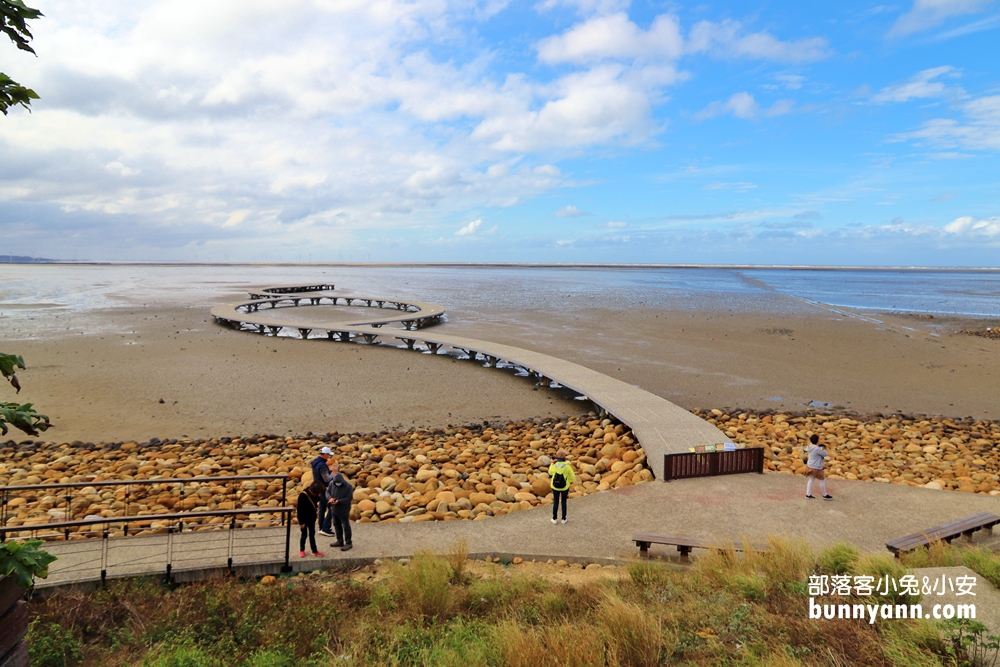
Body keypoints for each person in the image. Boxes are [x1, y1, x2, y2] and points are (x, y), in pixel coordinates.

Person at [326, 462, 354, 551]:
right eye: (336, 482)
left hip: (344, 510)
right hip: (334, 509)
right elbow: (327, 492)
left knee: (346, 526)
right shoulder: (331, 484)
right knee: (336, 525)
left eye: (339, 482)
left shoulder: (348, 486)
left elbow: (349, 498)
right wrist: (330, 498)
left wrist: (339, 501)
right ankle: (339, 541)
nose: (337, 484)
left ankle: (348, 542)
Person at [296, 481, 325, 558]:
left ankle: (314, 550)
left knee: (312, 535)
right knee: (304, 535)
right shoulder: (302, 496)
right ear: (313, 491)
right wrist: (301, 522)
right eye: (317, 493)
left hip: (311, 519)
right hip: (304, 520)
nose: (318, 495)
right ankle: (302, 550)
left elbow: (316, 500)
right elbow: (299, 510)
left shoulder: (315, 495)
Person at [311, 446, 334, 536]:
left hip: (318, 487)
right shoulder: (323, 465)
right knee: (332, 508)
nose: (329, 457)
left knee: (322, 508)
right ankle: (325, 528)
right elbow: (327, 479)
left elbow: (317, 473)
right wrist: (334, 473)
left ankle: (321, 527)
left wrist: (329, 471)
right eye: (328, 455)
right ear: (324, 454)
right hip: (324, 488)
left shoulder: (315, 462)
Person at [548, 449, 575, 524]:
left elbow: (550, 472)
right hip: (565, 487)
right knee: (563, 502)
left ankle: (554, 518)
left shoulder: (554, 466)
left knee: (556, 501)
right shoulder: (567, 466)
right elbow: (572, 476)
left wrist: (552, 463)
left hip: (555, 486)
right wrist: (568, 482)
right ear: (564, 458)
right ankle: (563, 519)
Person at [805, 434, 833, 500]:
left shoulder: (809, 446)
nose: (820, 440)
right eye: (819, 439)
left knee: (811, 479)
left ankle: (808, 494)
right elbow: (825, 454)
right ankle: (825, 495)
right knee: (822, 480)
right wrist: (825, 449)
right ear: (817, 441)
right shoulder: (817, 449)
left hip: (810, 466)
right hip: (816, 467)